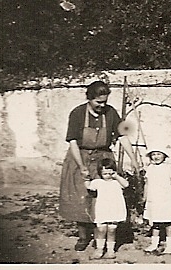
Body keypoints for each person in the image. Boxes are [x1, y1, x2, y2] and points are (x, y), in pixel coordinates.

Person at [59, 80, 139, 252]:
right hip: (79, 156)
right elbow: (73, 141)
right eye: (98, 102)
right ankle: (82, 237)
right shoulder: (77, 113)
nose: (102, 106)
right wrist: (81, 166)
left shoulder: (110, 113)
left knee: (101, 198)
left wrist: (133, 159)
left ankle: (99, 237)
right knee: (80, 196)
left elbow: (122, 137)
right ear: (89, 98)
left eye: (105, 102)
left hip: (103, 159)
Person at [84, 158, 128, 259]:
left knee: (112, 230)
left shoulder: (117, 182)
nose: (108, 176)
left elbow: (126, 184)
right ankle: (99, 249)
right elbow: (89, 186)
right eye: (105, 173)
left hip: (114, 209)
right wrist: (86, 178)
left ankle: (110, 250)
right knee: (101, 229)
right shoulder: (98, 182)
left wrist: (116, 176)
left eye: (110, 173)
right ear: (100, 173)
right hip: (102, 209)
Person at [143, 146, 171, 254]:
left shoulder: (168, 168)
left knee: (168, 223)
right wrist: (145, 197)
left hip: (166, 198)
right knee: (155, 222)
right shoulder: (150, 168)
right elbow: (147, 184)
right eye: (153, 154)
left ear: (164, 155)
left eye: (159, 154)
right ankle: (154, 244)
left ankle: (169, 246)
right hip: (154, 199)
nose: (156, 157)